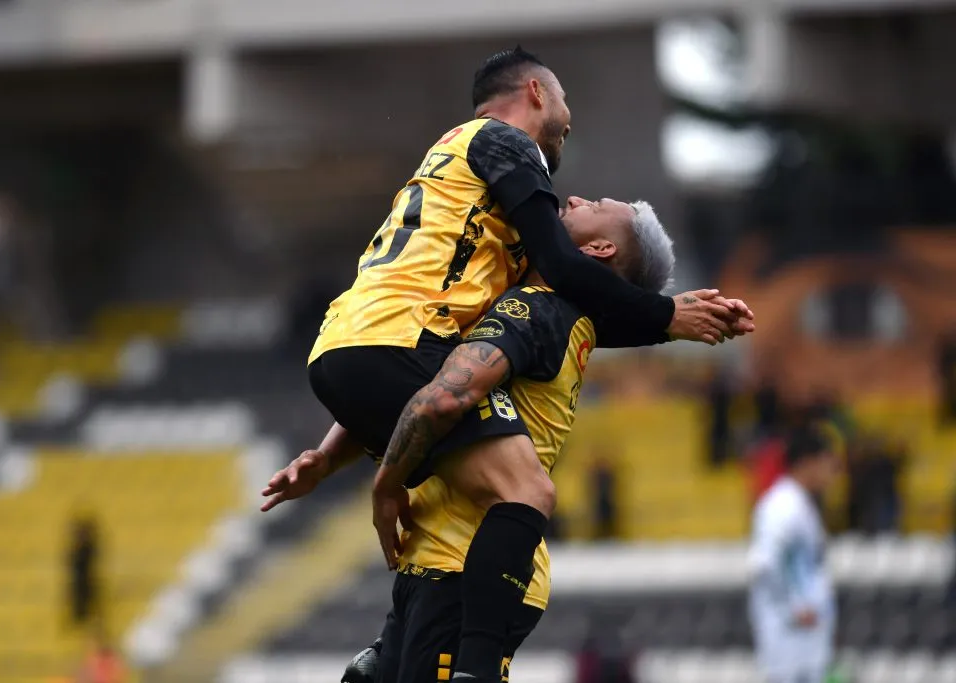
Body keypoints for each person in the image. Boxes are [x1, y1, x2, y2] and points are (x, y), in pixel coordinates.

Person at [266, 195, 744, 682]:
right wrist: (328, 458)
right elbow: (413, 386)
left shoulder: (533, 310)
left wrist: (385, 481)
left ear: (600, 247)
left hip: (465, 571)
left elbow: (441, 398)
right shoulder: (545, 312)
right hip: (438, 563)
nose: (574, 198)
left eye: (596, 205)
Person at [748, 423, 841, 683]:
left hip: (805, 637)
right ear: (807, 463)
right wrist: (795, 608)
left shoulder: (800, 504)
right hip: (790, 637)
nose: (832, 471)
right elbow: (765, 564)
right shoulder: (782, 506)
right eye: (827, 462)